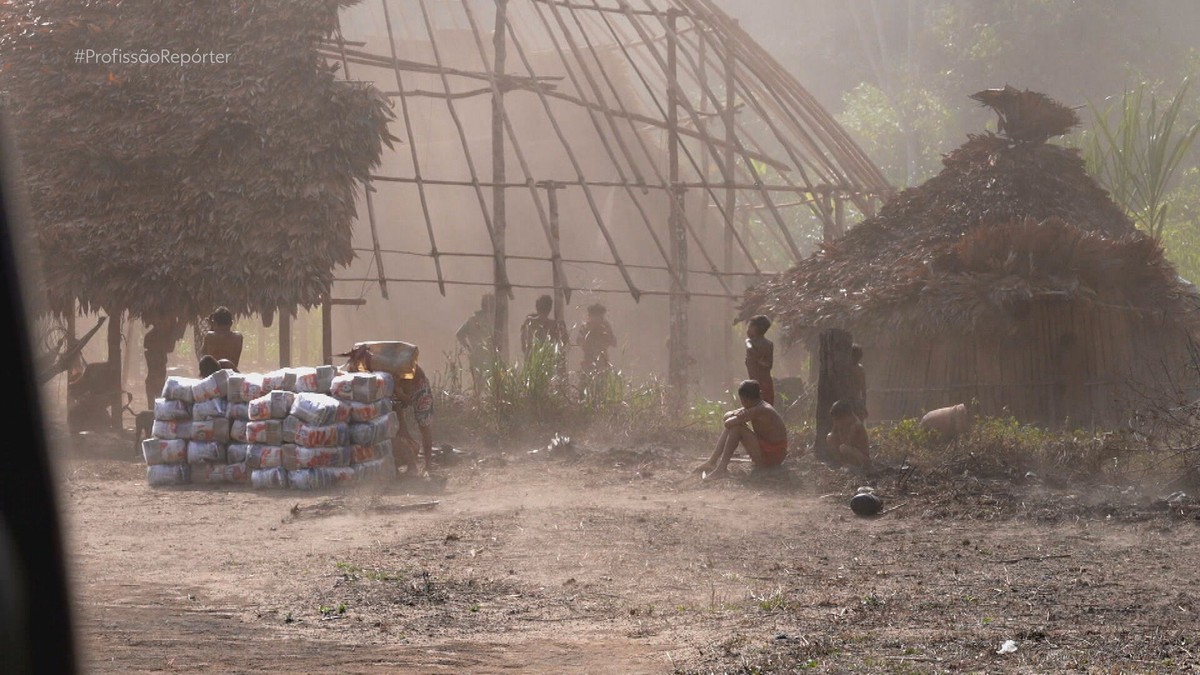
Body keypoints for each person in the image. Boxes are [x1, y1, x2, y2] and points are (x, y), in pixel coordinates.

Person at [693, 379, 788, 479]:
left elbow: (728, 422)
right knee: (735, 426)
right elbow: (726, 416)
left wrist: (737, 414)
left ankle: (721, 468)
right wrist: (737, 413)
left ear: (745, 400)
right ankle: (712, 462)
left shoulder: (760, 409)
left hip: (773, 456)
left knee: (737, 428)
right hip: (770, 452)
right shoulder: (757, 405)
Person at [393, 363, 434, 477]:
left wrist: (402, 394)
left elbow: (404, 392)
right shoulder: (373, 365)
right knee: (398, 426)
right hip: (399, 390)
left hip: (418, 387)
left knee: (424, 425)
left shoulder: (398, 361)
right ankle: (410, 458)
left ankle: (428, 465)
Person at [455, 293, 496, 395]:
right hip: (486, 357)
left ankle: (478, 406)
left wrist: (469, 349)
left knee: (479, 387)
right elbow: (459, 334)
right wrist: (469, 349)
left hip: (480, 356)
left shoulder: (473, 319)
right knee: (487, 387)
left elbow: (459, 334)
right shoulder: (493, 320)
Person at [143, 315, 183, 407]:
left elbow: (170, 348)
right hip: (156, 378)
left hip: (156, 378)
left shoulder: (154, 337)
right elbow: (169, 348)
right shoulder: (154, 337)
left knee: (156, 403)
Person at [520, 294, 568, 365]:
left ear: (537, 307)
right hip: (546, 361)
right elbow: (563, 342)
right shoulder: (554, 325)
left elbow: (523, 341)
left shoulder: (529, 322)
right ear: (549, 309)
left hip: (532, 359)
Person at [825, 399, 872, 471]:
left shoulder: (856, 425)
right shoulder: (839, 422)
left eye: (838, 419)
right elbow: (833, 435)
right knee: (830, 437)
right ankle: (840, 463)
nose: (836, 421)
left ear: (846, 415)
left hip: (862, 459)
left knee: (843, 447)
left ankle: (859, 468)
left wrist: (841, 432)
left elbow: (848, 443)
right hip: (848, 456)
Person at [198, 306, 244, 370]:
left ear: (214, 323)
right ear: (231, 323)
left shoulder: (209, 336)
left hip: (213, 374)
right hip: (231, 373)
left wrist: (212, 327)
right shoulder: (238, 337)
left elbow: (203, 357)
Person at [576, 302, 616, 375]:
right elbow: (579, 342)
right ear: (590, 316)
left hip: (602, 363)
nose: (596, 319)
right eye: (594, 316)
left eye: (599, 317)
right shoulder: (585, 327)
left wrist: (604, 333)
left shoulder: (605, 326)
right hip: (588, 362)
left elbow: (614, 343)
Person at [745, 315, 775, 406]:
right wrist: (760, 360)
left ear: (754, 328)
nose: (747, 329)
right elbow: (769, 365)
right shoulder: (769, 344)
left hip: (755, 386)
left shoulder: (749, 342)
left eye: (749, 326)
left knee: (757, 412)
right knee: (767, 410)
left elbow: (750, 349)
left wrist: (756, 358)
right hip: (766, 385)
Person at [850, 343, 868, 420]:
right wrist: (863, 404)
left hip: (851, 401)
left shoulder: (847, 369)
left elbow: (863, 389)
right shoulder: (860, 369)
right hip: (857, 401)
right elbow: (863, 390)